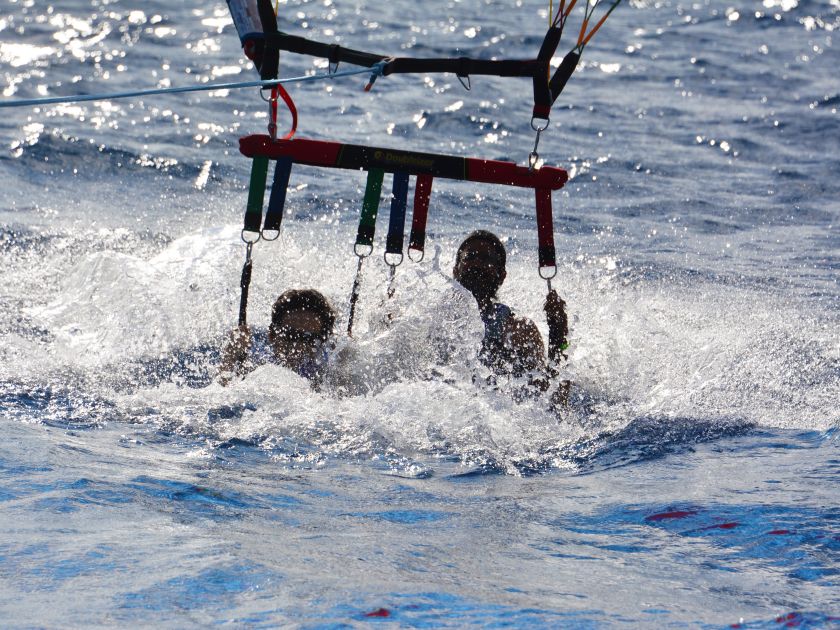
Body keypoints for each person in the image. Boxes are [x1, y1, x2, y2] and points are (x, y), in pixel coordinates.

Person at [452, 230, 570, 403]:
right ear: (456, 270)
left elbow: (552, 400)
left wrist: (558, 333)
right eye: (470, 257)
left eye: (486, 259)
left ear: (502, 276)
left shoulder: (520, 331)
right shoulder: (434, 319)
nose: (477, 263)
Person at [219, 288, 337, 389]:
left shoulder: (328, 372)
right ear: (272, 335)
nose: (298, 345)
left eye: (309, 338)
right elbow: (223, 395)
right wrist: (231, 355)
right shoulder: (256, 368)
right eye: (291, 335)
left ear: (323, 341)